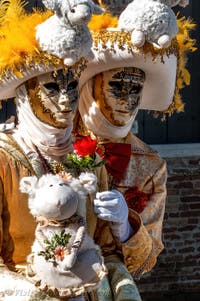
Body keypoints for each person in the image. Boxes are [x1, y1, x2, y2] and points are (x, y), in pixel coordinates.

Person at [0, 1, 151, 300]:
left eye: (71, 86)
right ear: (26, 93)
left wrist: (122, 228)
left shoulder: (89, 158)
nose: (67, 98)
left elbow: (108, 252)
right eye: (52, 89)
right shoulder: (4, 159)